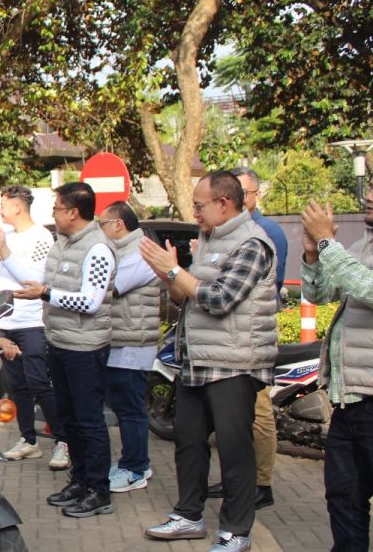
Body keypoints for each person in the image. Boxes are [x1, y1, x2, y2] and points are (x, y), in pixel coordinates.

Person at [140, 170, 277, 552]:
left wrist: (174, 270)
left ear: (224, 203)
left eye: (200, 206)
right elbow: (187, 297)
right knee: (188, 441)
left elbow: (218, 300)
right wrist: (168, 274)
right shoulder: (209, 238)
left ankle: (236, 531)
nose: (195, 213)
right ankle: (188, 515)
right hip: (197, 360)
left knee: (234, 448)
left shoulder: (253, 244)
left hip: (234, 363)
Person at [12, 181, 116, 519]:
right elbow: (42, 282)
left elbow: (90, 301)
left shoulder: (98, 248)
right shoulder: (61, 244)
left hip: (85, 348)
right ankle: (80, 481)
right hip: (58, 341)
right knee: (69, 420)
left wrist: (45, 293)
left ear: (74, 212)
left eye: (56, 208)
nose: (52, 214)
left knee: (89, 421)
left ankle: (99, 490)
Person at [202, 166, 285, 510]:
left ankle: (261, 484)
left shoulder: (262, 233)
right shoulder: (218, 234)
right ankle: (240, 482)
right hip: (221, 342)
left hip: (249, 340)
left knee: (258, 414)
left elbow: (262, 289)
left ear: (254, 197)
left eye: (246, 193)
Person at [0, 184, 68, 470]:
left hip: (32, 322)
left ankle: (64, 441)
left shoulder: (40, 237)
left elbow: (33, 280)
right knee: (18, 387)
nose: (0, 210)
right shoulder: (7, 237)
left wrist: (3, 250)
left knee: (40, 383)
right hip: (7, 322)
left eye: (3, 204)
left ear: (18, 206)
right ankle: (29, 440)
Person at [300, 195, 373, 552]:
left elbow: (368, 288)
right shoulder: (362, 246)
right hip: (350, 399)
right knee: (344, 497)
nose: (369, 197)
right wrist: (314, 254)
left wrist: (328, 243)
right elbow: (322, 294)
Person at [97, 201, 160, 492]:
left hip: (134, 342)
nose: (101, 230)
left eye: (103, 224)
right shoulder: (122, 250)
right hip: (121, 339)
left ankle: (137, 467)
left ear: (119, 224)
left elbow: (111, 288)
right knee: (123, 407)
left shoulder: (141, 251)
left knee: (132, 408)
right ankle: (130, 462)